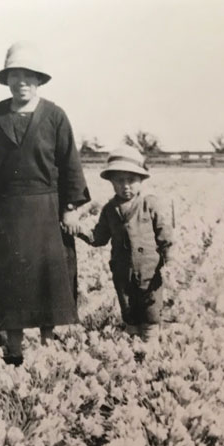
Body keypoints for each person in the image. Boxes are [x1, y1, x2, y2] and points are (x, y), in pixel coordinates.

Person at [0, 41, 90, 365]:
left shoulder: (55, 116)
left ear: (39, 80)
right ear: (6, 80)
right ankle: (13, 351)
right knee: (8, 283)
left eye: (28, 75)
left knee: (48, 281)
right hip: (4, 211)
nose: (21, 82)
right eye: (15, 75)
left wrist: (70, 209)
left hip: (46, 210)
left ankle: (48, 352)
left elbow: (69, 163)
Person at [77, 146, 173, 350]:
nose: (125, 186)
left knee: (151, 311)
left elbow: (165, 236)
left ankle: (151, 350)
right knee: (129, 311)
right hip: (123, 272)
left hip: (150, 272)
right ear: (111, 181)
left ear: (141, 180)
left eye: (131, 180)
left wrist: (170, 261)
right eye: (119, 180)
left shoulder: (150, 205)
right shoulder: (110, 209)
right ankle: (134, 351)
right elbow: (99, 237)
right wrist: (80, 231)